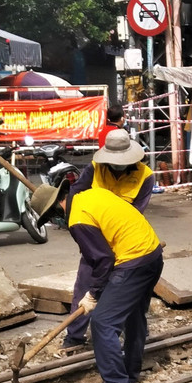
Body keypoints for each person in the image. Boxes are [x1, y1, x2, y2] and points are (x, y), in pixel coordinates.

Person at [29, 179, 163, 383]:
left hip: (133, 261)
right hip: (152, 254)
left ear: (55, 207)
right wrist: (98, 289)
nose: (55, 221)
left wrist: (93, 294)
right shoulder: (89, 196)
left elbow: (102, 260)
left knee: (103, 322)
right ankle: (130, 373)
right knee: (134, 316)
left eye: (51, 217)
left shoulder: (78, 219)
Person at [59, 129, 157, 355]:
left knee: (128, 292)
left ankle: (132, 335)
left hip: (125, 242)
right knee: (85, 286)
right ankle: (74, 336)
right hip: (95, 238)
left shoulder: (145, 176)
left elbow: (135, 214)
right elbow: (76, 194)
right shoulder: (95, 168)